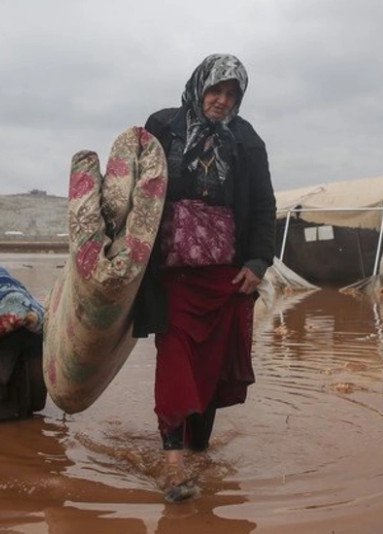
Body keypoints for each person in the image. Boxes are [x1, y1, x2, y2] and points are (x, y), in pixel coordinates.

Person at [132, 53, 276, 502]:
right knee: (175, 357)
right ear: (199, 87)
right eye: (215, 90)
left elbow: (263, 204)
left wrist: (256, 263)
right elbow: (135, 186)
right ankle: (173, 464)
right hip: (171, 274)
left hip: (225, 277)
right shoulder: (164, 125)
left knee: (212, 370)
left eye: (232, 94)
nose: (222, 100)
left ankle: (199, 451)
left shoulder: (247, 140)